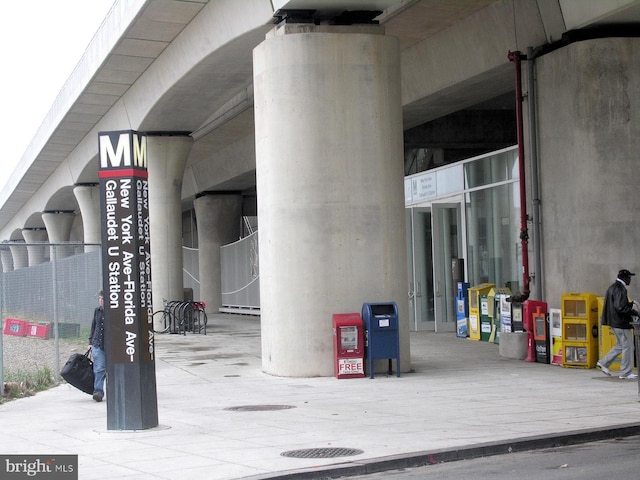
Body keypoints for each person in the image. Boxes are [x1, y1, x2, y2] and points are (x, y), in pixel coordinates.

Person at [597, 269, 639, 380]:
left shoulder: (612, 287)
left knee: (620, 345)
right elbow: (620, 307)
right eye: (629, 277)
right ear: (625, 278)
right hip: (621, 323)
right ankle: (625, 373)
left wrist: (630, 304)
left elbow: (618, 305)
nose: (630, 280)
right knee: (628, 347)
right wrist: (635, 312)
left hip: (613, 322)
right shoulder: (620, 289)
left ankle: (604, 363)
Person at [88, 291, 106, 401]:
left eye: (102, 299)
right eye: (99, 298)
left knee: (105, 369)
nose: (100, 301)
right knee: (99, 368)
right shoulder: (97, 311)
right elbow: (93, 326)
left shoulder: (113, 312)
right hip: (97, 343)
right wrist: (90, 342)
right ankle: (98, 391)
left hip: (109, 345)